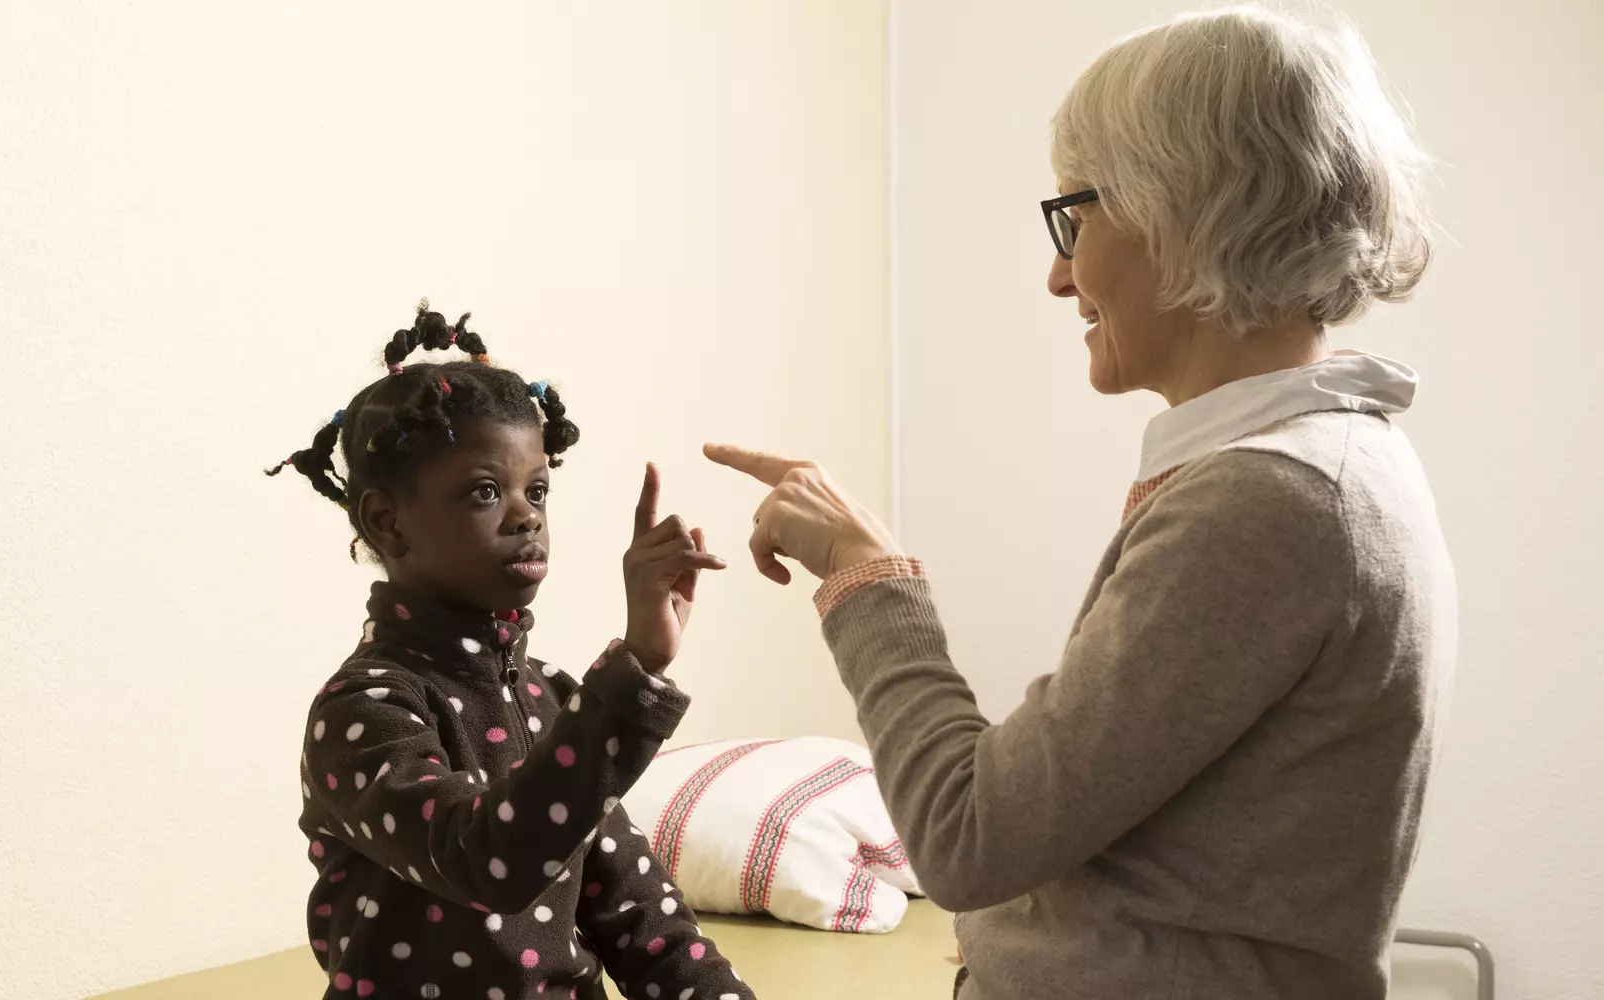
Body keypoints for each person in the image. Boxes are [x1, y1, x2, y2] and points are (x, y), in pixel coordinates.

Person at [707, 8, 1454, 1000]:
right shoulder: (1332, 467)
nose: (1059, 274)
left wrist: (863, 573)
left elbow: (968, 839)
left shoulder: (1273, 502)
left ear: (1190, 210)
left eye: (1075, 217)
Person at [269, 301, 754, 1000]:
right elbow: (488, 861)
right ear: (387, 521)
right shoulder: (361, 711)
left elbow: (643, 920)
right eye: (486, 491)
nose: (527, 515)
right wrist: (636, 668)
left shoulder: (556, 700)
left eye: (538, 490)